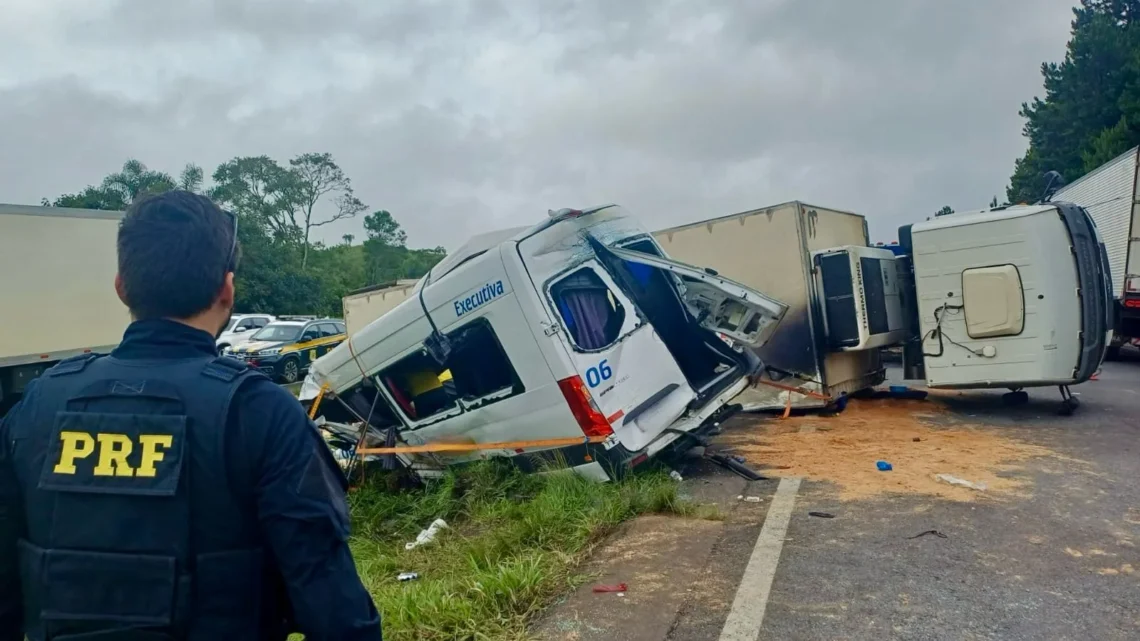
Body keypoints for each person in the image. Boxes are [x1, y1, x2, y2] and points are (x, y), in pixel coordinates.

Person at [0, 191, 382, 641]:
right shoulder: (259, 411)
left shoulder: (37, 405)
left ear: (121, 286)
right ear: (227, 288)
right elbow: (333, 605)